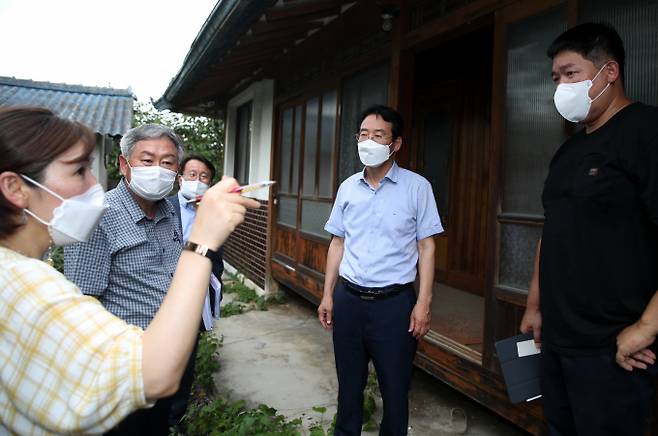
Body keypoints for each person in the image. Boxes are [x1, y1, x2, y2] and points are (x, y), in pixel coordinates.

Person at [0, 106, 259, 434]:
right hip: (127, 365)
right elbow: (89, 304)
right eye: (79, 171)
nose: (93, 184)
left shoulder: (171, 209)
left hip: (169, 346)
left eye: (167, 163)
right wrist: (202, 241)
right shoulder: (28, 283)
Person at [519, 22, 658, 436]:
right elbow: (554, 228)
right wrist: (534, 304)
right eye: (555, 78)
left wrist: (647, 327)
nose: (560, 85)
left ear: (609, 72)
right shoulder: (569, 149)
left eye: (570, 73)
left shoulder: (646, 132)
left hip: (613, 347)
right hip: (557, 340)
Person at [318, 105, 443, 436]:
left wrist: (424, 302)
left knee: (395, 390)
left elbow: (427, 247)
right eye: (362, 134)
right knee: (348, 389)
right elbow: (337, 244)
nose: (367, 141)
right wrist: (328, 294)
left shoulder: (417, 188)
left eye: (378, 135)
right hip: (349, 301)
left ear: (396, 143)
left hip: (395, 305)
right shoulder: (347, 188)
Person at [166, 154, 224, 427]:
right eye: (191, 175)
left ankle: (175, 418)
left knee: (185, 360)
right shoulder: (163, 207)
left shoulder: (211, 215)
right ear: (179, 178)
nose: (197, 181)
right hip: (160, 293)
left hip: (193, 298)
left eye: (204, 177)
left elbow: (216, 259)